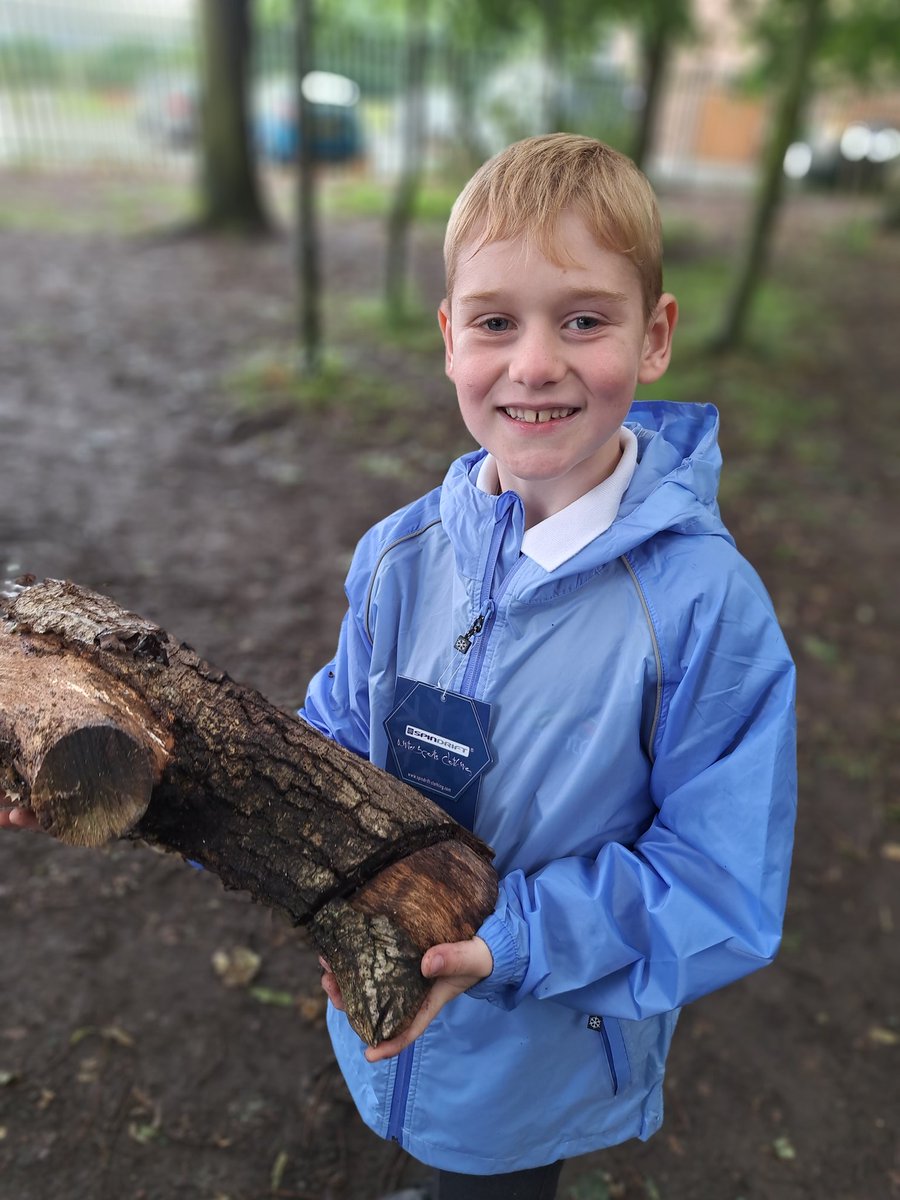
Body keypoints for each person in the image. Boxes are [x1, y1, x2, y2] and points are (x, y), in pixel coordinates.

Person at [3, 134, 797, 1200]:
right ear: (448, 338)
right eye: (496, 322)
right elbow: (324, 748)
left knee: (493, 1182)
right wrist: (151, 788)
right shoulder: (401, 554)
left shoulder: (705, 609)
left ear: (654, 338)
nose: (535, 364)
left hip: (537, 1052)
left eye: (584, 320)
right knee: (422, 1146)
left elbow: (719, 882)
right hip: (385, 1001)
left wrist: (503, 942)